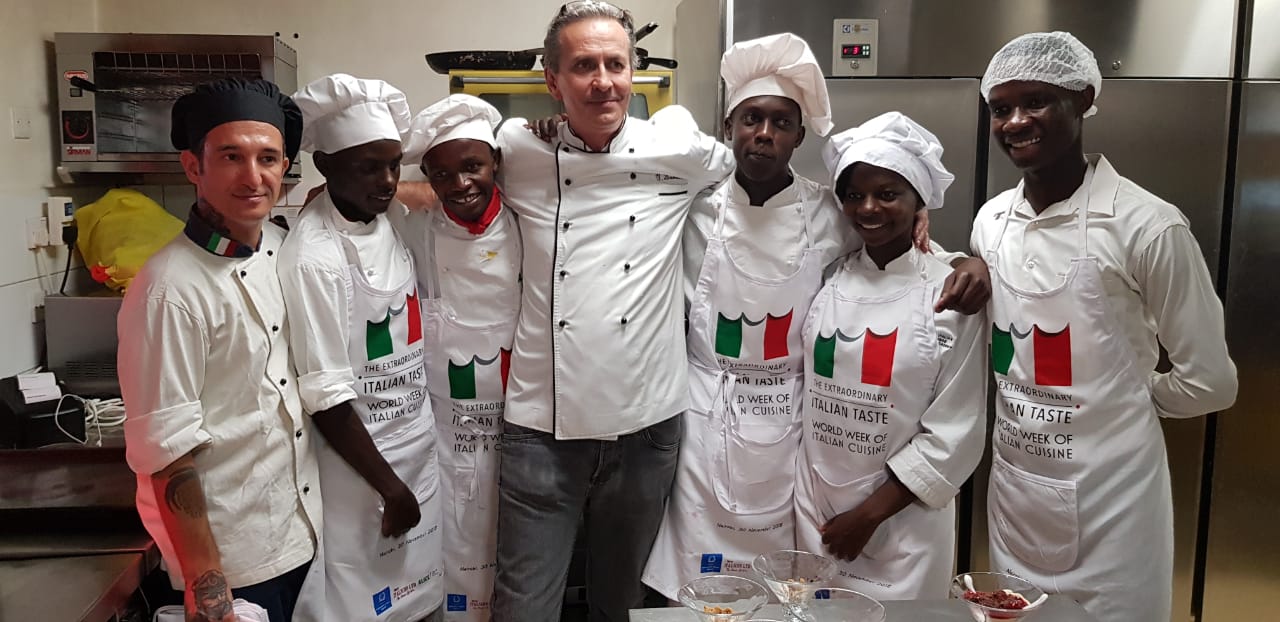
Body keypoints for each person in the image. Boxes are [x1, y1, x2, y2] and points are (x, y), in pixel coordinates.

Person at [973, 32, 1238, 622]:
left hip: (1114, 507)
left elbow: (1212, 382)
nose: (1016, 121)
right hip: (1017, 492)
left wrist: (1129, 401)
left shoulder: (1149, 226)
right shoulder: (991, 222)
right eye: (1000, 108)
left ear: (1083, 97)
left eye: (1036, 102)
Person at [489, 2, 737, 619]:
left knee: (622, 606)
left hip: (645, 428)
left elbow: (757, 173)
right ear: (552, 81)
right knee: (524, 605)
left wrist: (909, 207)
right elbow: (439, 180)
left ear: (633, 72)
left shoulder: (676, 149)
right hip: (540, 432)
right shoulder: (515, 149)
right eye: (583, 66)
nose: (603, 80)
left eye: (615, 64)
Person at [642, 32, 853, 598]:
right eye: (751, 119)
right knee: (694, 582)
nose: (764, 134)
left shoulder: (831, 212)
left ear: (798, 136)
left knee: (779, 584)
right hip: (703, 411)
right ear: (730, 127)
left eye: (780, 122)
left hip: (792, 417)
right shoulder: (692, 202)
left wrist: (933, 236)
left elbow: (897, 243)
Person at [117, 78, 319, 622]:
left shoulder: (284, 247)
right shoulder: (169, 289)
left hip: (305, 536)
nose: (253, 178)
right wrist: (210, 594)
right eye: (231, 157)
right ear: (192, 167)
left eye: (268, 158)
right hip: (235, 561)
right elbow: (167, 451)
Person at [792, 111, 987, 599]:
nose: (869, 208)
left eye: (888, 193)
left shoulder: (950, 294)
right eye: (854, 195)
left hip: (906, 526)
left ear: (919, 202)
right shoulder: (827, 277)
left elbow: (955, 434)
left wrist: (868, 515)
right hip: (817, 510)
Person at [280, 74, 443, 622]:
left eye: (394, 164)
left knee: (418, 599)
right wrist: (389, 487)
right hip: (362, 472)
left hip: (413, 444)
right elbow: (325, 396)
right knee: (364, 606)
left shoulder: (385, 216)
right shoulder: (313, 258)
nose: (388, 180)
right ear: (325, 167)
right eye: (368, 166)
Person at [395, 94, 520, 620]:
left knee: (523, 568)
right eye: (443, 175)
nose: (460, 185)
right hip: (447, 439)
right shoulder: (417, 229)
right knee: (454, 574)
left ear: (496, 164)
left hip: (523, 435)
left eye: (473, 166)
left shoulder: (528, 222)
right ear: (429, 177)